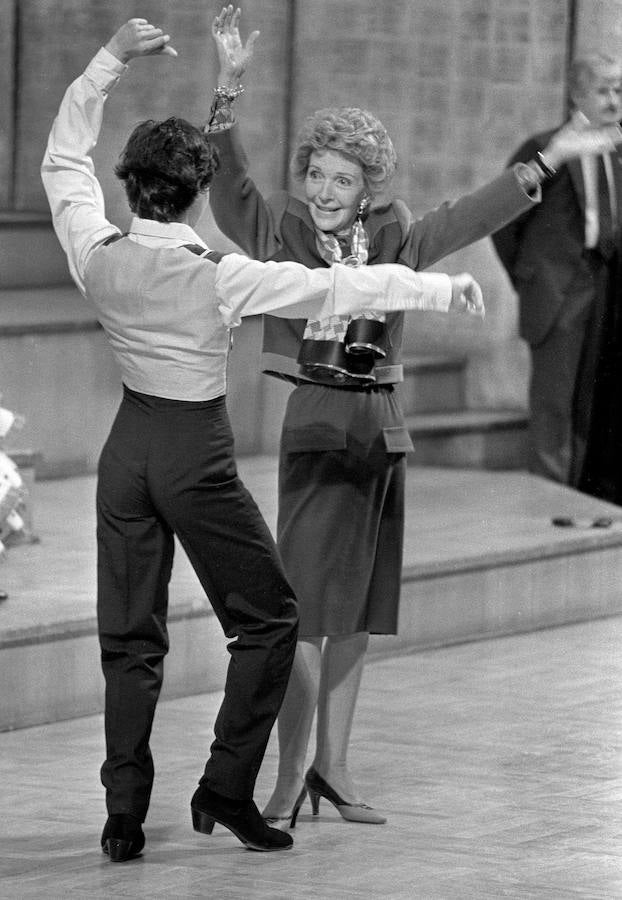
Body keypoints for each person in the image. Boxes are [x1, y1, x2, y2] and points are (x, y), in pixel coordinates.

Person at [40, 18, 485, 861]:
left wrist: (107, 62)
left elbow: (64, 160)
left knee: (129, 641)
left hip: (125, 452)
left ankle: (124, 815)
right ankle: (225, 788)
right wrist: (440, 287)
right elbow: (340, 285)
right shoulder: (222, 275)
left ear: (131, 188)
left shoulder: (91, 247)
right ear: (197, 193)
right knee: (274, 619)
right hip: (194, 457)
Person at [207, 6, 622, 829]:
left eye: (342, 180)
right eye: (318, 173)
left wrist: (547, 160)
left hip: (381, 430)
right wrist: (229, 85)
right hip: (318, 426)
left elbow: (465, 217)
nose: (326, 191)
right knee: (304, 616)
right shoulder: (282, 226)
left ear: (367, 189)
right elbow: (230, 185)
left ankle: (334, 769)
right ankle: (286, 778)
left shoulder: (392, 233)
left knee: (357, 612)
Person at [493, 54, 622, 501]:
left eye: (619, 90)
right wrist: (528, 278)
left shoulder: (617, 149)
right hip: (557, 290)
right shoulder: (545, 147)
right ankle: (548, 504)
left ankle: (578, 498)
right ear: (577, 95)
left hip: (603, 285)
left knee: (591, 403)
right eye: (603, 90)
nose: (613, 100)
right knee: (554, 407)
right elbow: (504, 222)